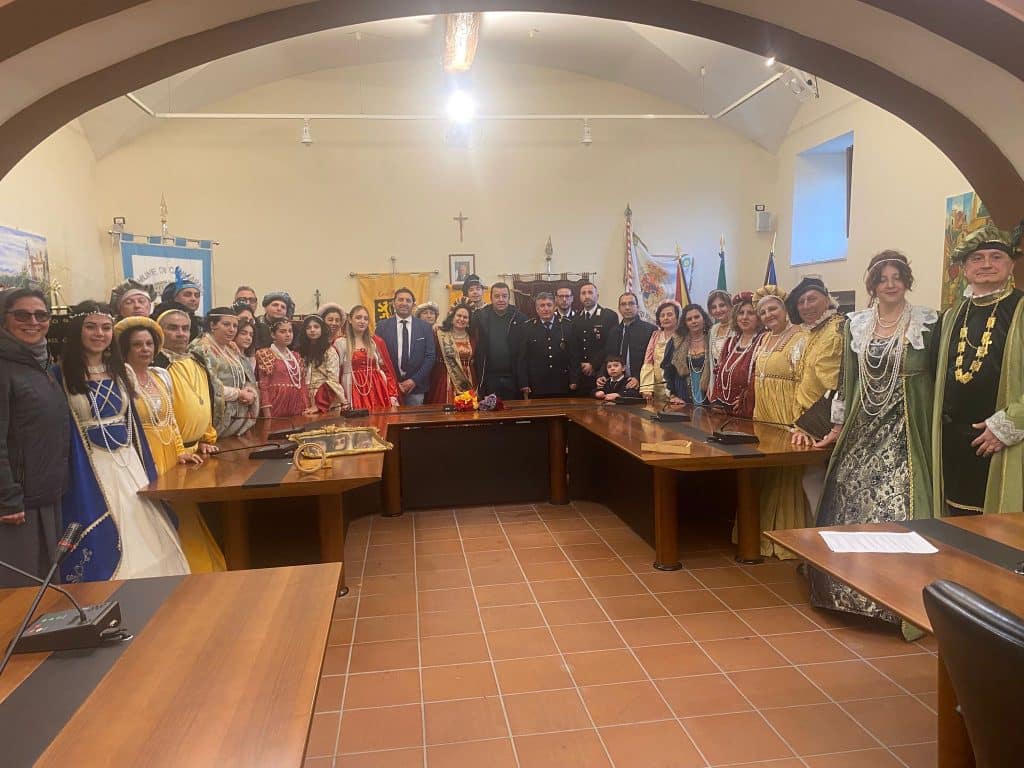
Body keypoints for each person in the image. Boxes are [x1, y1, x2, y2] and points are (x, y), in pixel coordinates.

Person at [810, 251, 938, 629]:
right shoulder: (857, 325)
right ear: (873, 285)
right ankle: (844, 591)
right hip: (863, 427)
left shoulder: (929, 322)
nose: (890, 284)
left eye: (897, 277)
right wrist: (837, 426)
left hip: (906, 429)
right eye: (883, 278)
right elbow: (846, 381)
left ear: (907, 281)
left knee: (898, 503)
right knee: (849, 493)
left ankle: (901, 601)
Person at [57, 302, 189, 581]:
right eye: (91, 327)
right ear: (77, 330)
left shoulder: (122, 371)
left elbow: (134, 424)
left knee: (148, 530)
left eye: (106, 328)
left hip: (129, 462)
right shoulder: (61, 375)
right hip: (92, 467)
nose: (99, 334)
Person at [116, 317, 224, 574]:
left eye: (149, 344)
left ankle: (199, 570)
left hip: (171, 457)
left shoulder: (161, 375)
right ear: (126, 349)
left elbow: (171, 421)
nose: (145, 349)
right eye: (137, 344)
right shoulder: (120, 380)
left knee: (183, 516)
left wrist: (181, 452)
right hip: (143, 458)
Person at [933, 221, 1024, 515]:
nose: (986, 264)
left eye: (996, 257)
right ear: (964, 268)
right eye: (977, 258)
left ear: (1011, 265)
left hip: (1005, 444)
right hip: (953, 447)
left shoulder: (1021, 308)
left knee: (1000, 532)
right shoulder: (951, 316)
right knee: (954, 528)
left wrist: (1009, 424)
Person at [0, 289, 69, 587]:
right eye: (22, 315)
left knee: (44, 589)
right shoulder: (4, 366)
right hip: (17, 504)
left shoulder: (38, 362)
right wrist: (7, 498)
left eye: (41, 315)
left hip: (44, 495)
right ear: (4, 319)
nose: (33, 322)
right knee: (17, 593)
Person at [751, 286, 809, 558]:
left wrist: (800, 421)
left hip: (787, 414)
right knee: (765, 473)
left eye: (772, 308)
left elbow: (804, 382)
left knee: (786, 475)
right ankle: (761, 533)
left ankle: (787, 538)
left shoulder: (801, 337)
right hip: (763, 414)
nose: (768, 314)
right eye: (762, 311)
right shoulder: (763, 339)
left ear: (785, 309)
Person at [787, 277, 845, 515]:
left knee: (817, 479)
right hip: (805, 418)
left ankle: (822, 528)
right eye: (801, 302)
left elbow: (838, 384)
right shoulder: (812, 332)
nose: (806, 306)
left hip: (823, 421)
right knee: (811, 478)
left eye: (811, 299)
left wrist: (815, 425)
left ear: (827, 299)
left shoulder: (837, 330)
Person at [155, 309, 222, 457]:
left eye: (185, 328)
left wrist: (204, 439)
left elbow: (207, 401)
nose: (181, 333)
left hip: (197, 450)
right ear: (159, 332)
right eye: (173, 328)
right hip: (169, 453)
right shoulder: (156, 365)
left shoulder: (197, 360)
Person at [193, 307, 259, 437]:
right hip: (213, 423)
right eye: (226, 324)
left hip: (236, 420)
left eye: (235, 326)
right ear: (212, 325)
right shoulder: (201, 349)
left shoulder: (230, 348)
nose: (232, 329)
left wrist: (250, 391)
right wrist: (239, 394)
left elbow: (246, 376)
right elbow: (206, 388)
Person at [376, 287, 435, 406]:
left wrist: (414, 380)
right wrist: (392, 382)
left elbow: (430, 357)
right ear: (393, 303)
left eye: (408, 300)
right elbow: (378, 357)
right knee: (392, 418)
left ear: (413, 304)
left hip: (416, 387)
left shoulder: (425, 327)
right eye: (400, 299)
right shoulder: (382, 326)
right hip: (390, 387)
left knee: (414, 418)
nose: (404, 303)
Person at [710, 292, 763, 418]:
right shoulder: (730, 343)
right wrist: (717, 400)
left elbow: (761, 377)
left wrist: (746, 397)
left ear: (759, 317)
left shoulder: (763, 341)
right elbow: (718, 372)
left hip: (747, 411)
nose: (744, 317)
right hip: (723, 411)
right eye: (741, 313)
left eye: (750, 313)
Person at [517, 292, 578, 398]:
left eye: (549, 305)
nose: (546, 309)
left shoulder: (567, 325)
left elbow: (574, 356)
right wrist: (523, 383)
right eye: (542, 305)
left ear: (554, 307)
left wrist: (574, 379)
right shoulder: (527, 327)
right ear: (537, 309)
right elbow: (522, 358)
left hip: (562, 383)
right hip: (537, 384)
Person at [474, 282, 527, 400]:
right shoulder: (480, 317)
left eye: (504, 296)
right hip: (488, 378)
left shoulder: (520, 318)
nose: (501, 299)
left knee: (513, 411)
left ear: (509, 298)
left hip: (513, 378)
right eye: (497, 296)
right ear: (491, 298)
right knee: (489, 411)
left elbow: (525, 351)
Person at [345, 305, 399, 410]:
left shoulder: (375, 342)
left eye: (365, 319)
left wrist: (392, 394)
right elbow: (336, 374)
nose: (362, 321)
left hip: (377, 389)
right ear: (350, 320)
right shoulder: (341, 343)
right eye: (358, 317)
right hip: (354, 390)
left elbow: (386, 370)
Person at [256, 317, 308, 419]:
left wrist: (306, 406)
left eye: (290, 331)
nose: (288, 335)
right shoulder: (266, 354)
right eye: (283, 331)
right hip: (276, 404)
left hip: (297, 403)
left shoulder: (297, 356)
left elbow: (302, 384)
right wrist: (267, 413)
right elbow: (263, 385)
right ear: (273, 334)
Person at [572, 281, 617, 395]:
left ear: (597, 296)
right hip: (580, 374)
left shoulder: (609, 316)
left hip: (601, 372)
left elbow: (610, 345)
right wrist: (580, 365)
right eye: (583, 293)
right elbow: (574, 346)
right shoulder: (576, 317)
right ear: (579, 297)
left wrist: (593, 364)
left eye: (590, 292)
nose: (587, 296)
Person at [604, 293, 657, 389]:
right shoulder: (613, 331)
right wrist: (602, 375)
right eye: (623, 304)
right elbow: (609, 356)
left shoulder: (650, 330)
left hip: (643, 383)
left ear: (638, 307)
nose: (627, 307)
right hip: (618, 384)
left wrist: (638, 378)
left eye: (631, 303)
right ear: (619, 308)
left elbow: (653, 360)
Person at [662, 304, 712, 405]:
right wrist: (673, 395)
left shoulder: (713, 339)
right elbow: (668, 370)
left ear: (703, 318)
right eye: (689, 319)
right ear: (685, 323)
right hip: (682, 401)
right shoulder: (676, 342)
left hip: (710, 399)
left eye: (697, 317)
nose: (694, 321)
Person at [299, 314, 346, 414]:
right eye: (308, 327)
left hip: (326, 400)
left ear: (322, 329)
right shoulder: (302, 351)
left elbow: (333, 380)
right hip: (306, 398)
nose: (312, 330)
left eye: (316, 327)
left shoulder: (329, 351)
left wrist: (318, 404)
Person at [430, 303, 476, 404]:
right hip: (444, 376)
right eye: (459, 315)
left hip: (467, 378)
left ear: (469, 321)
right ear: (452, 317)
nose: (461, 319)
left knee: (468, 407)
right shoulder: (439, 334)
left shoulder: (473, 337)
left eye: (465, 317)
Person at [639, 301, 680, 404]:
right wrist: (647, 388)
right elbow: (648, 361)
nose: (666, 318)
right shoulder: (655, 335)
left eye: (669, 314)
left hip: (678, 388)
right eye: (662, 315)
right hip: (657, 389)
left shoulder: (683, 336)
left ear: (677, 317)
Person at [153, 271, 203, 340]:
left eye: (197, 295)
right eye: (187, 295)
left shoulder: (201, 324)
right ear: (172, 298)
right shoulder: (156, 320)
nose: (193, 299)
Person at [706, 289, 733, 401]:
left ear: (730, 306)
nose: (718, 310)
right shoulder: (713, 329)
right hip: (717, 381)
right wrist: (711, 385)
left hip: (733, 382)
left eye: (722, 305)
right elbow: (712, 361)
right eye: (714, 307)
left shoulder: (738, 327)